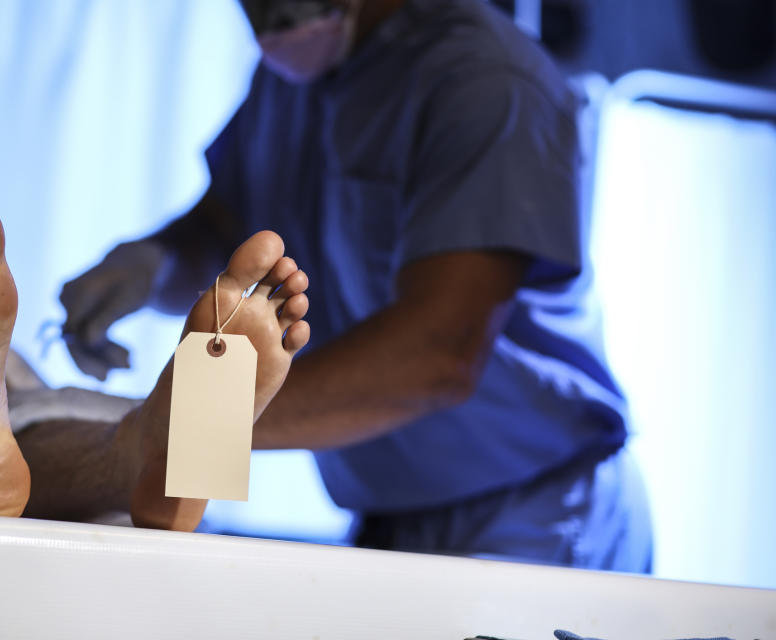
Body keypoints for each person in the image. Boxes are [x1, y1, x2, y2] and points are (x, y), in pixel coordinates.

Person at [59, 0, 652, 570]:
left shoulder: (485, 82)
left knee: (123, 455)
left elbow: (437, 356)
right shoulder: (287, 84)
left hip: (533, 514)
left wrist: (179, 427)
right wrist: (150, 264)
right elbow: (226, 234)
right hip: (388, 515)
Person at [0, 196, 311, 530]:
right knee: (34, 409)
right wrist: (151, 263)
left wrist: (147, 266)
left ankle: (130, 451)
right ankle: (126, 455)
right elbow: (213, 217)